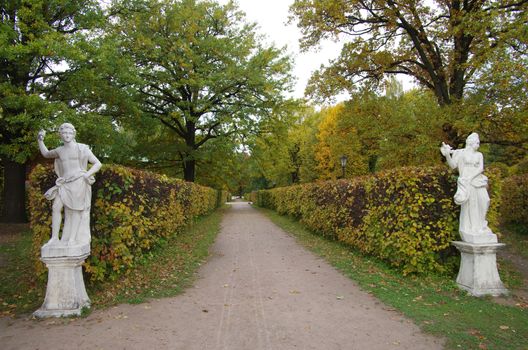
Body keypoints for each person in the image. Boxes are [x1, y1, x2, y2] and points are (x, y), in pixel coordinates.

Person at [37, 123, 102, 246]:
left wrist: (87, 175)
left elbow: (97, 163)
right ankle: (55, 238)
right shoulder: (59, 151)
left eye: (69, 133)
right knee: (56, 207)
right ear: (60, 135)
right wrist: (40, 140)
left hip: (78, 182)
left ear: (73, 134)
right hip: (65, 183)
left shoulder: (82, 148)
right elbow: (45, 154)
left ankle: (72, 239)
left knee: (75, 210)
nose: (67, 135)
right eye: (64, 133)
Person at [440, 132, 497, 243]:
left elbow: (480, 168)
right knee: (472, 205)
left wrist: (471, 177)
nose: (478, 145)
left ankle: (482, 225)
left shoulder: (479, 155)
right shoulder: (460, 153)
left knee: (485, 201)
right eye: (477, 143)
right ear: (470, 142)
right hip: (466, 183)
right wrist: (447, 155)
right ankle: (473, 229)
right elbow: (453, 165)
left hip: (477, 180)